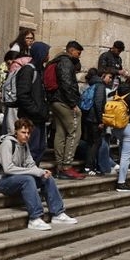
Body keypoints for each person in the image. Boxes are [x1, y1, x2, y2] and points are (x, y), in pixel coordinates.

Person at [0, 118, 78, 231]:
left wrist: (41, 172)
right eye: (23, 132)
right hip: (1, 181)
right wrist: (35, 172)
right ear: (16, 131)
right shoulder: (7, 144)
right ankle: (35, 218)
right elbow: (8, 168)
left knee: (47, 178)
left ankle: (58, 213)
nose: (26, 135)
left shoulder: (24, 145)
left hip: (16, 178)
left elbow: (31, 165)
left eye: (28, 133)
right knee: (28, 179)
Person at [49, 40, 84, 179]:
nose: (79, 56)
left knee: (61, 132)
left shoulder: (57, 60)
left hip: (55, 101)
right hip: (64, 101)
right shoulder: (65, 62)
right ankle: (66, 166)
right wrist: (72, 103)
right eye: (78, 52)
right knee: (75, 131)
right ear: (71, 50)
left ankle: (60, 165)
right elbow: (66, 83)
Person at [14, 41, 50, 162]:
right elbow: (23, 94)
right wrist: (35, 110)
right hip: (31, 117)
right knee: (32, 149)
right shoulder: (28, 70)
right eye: (46, 52)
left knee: (40, 148)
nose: (48, 55)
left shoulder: (40, 70)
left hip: (39, 117)